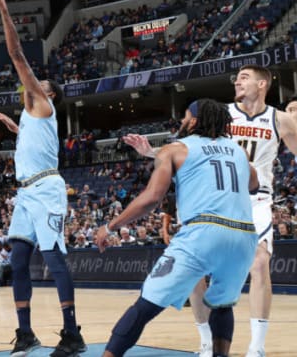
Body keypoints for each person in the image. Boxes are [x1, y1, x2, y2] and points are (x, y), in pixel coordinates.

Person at [123, 65, 297, 357]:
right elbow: (191, 147)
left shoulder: (280, 120)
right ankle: (206, 341)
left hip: (255, 198)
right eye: (236, 78)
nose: (237, 81)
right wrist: (153, 152)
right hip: (216, 198)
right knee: (198, 271)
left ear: (263, 83)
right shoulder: (221, 113)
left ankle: (257, 347)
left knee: (259, 262)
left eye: (244, 77)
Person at [95, 99, 259, 357]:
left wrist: (110, 226)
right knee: (222, 305)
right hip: (244, 236)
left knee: (145, 305)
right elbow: (253, 184)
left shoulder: (174, 149)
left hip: (203, 232)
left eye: (184, 116)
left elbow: (151, 198)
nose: (182, 121)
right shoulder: (239, 151)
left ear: (193, 120)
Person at [0, 0, 86, 357]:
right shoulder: (32, 116)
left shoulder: (43, 104)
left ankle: (72, 333)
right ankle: (25, 333)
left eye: (39, 82)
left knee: (55, 257)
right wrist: (16, 128)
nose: (32, 83)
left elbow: (16, 56)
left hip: (46, 189)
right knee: (19, 260)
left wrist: (4, 10)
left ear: (50, 94)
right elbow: (32, 143)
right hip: (26, 191)